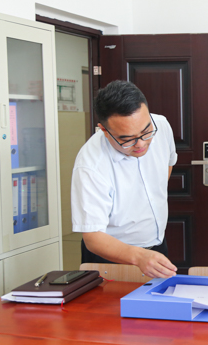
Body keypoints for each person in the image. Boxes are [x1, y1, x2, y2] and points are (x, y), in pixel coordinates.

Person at [71, 80, 178, 278]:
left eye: (146, 132)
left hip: (155, 247)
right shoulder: (91, 165)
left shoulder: (161, 126)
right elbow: (93, 238)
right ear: (104, 130)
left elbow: (169, 163)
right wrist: (138, 256)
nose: (141, 144)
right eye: (127, 139)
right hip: (110, 257)